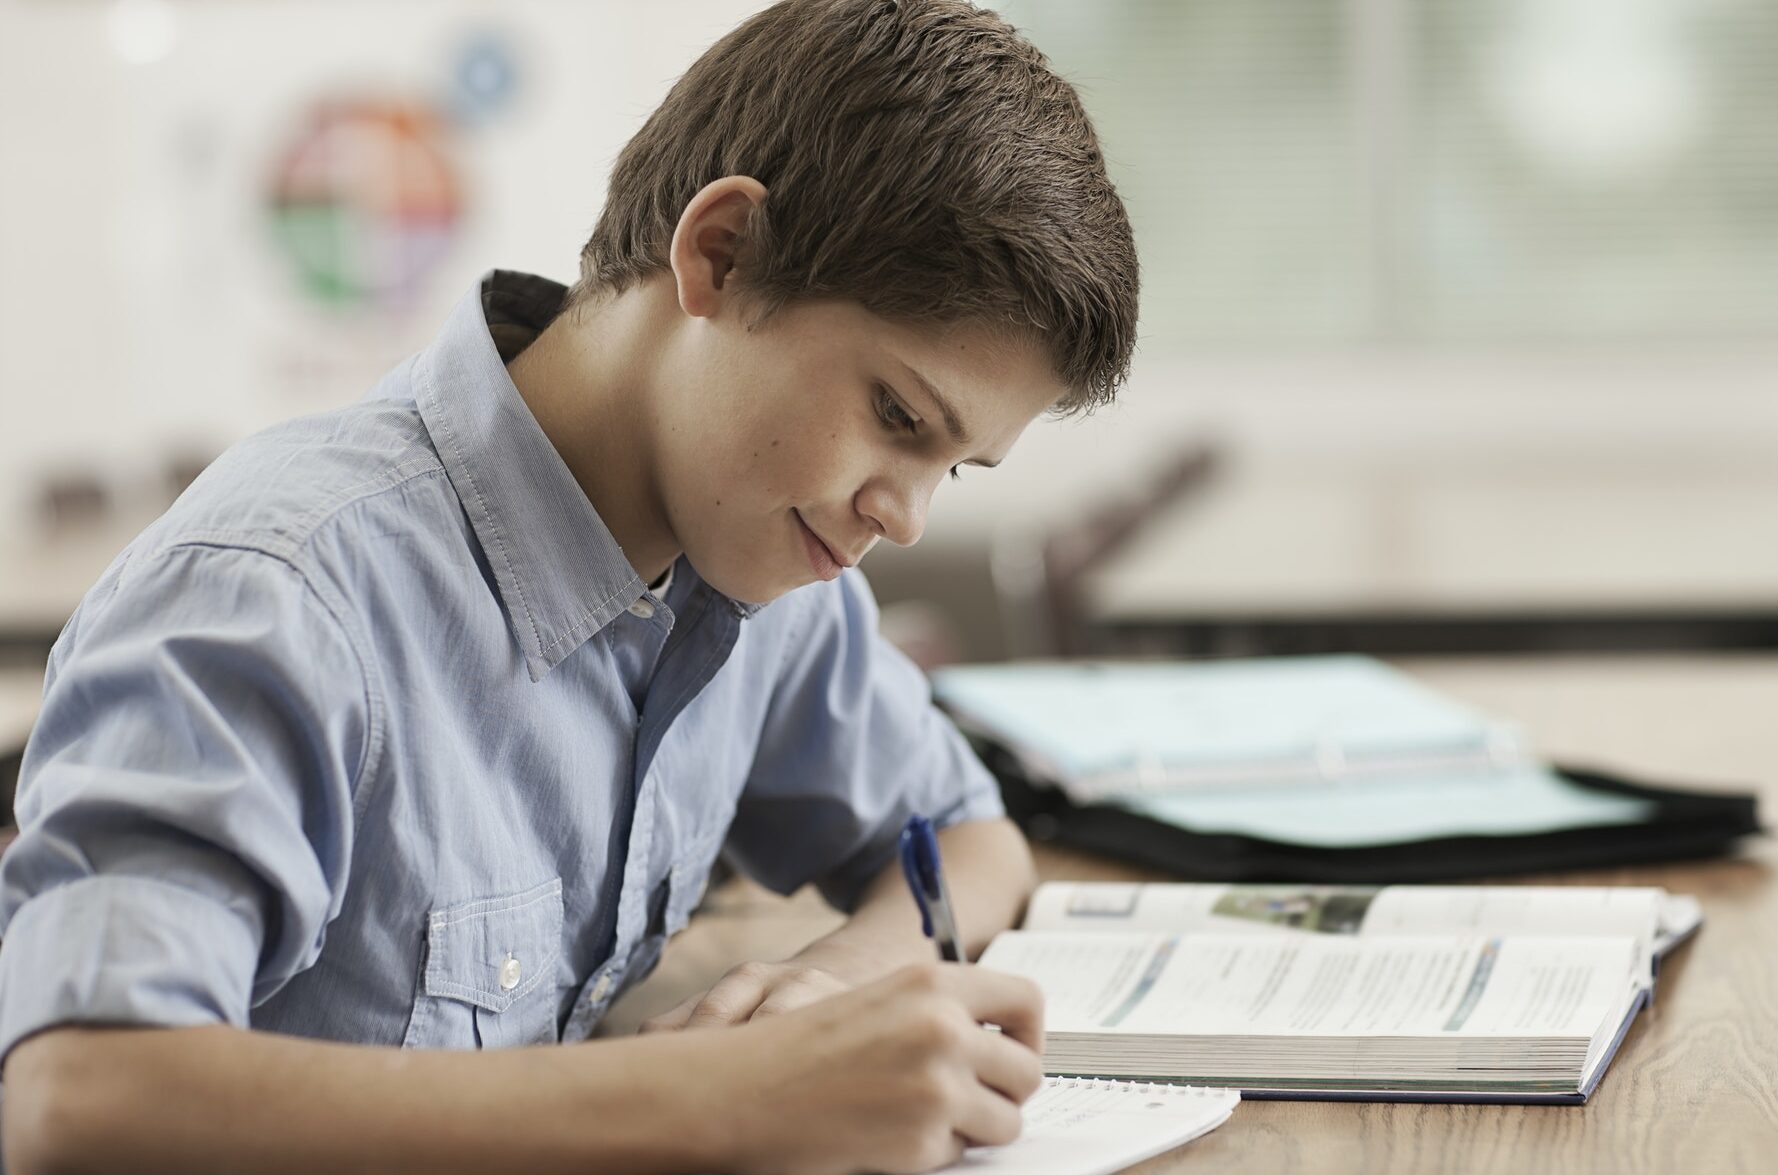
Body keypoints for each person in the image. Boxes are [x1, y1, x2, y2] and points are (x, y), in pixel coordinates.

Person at [0, 0, 1137, 1170]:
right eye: (895, 416)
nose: (902, 514)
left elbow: (968, 839)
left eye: (951, 465)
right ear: (720, 255)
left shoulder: (759, 565)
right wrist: (719, 1096)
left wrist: (825, 997)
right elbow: (79, 1096)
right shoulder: (279, 595)